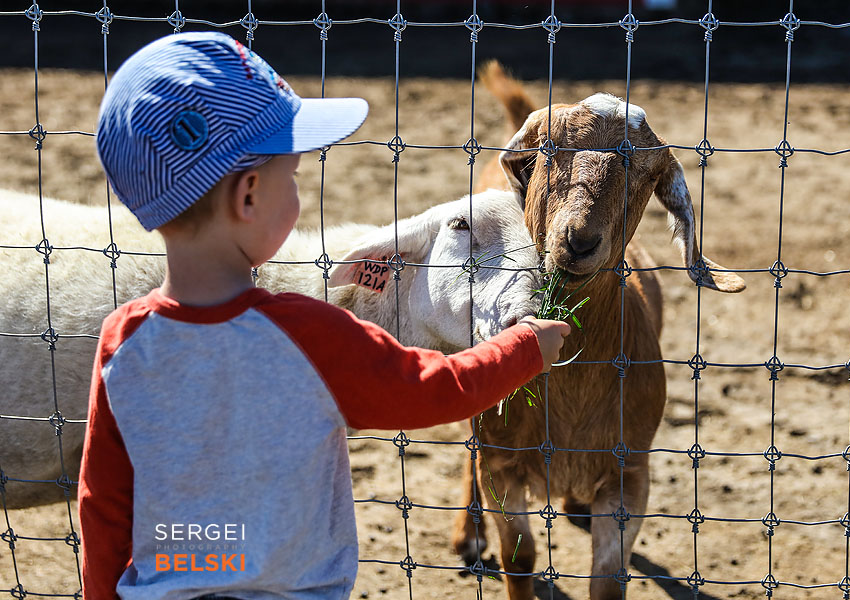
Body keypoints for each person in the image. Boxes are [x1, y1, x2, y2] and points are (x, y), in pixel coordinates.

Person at [77, 32, 570, 600]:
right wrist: (525, 346)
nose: (297, 192)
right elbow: (430, 391)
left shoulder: (124, 340)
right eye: (293, 177)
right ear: (249, 196)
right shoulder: (307, 332)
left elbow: (104, 503)